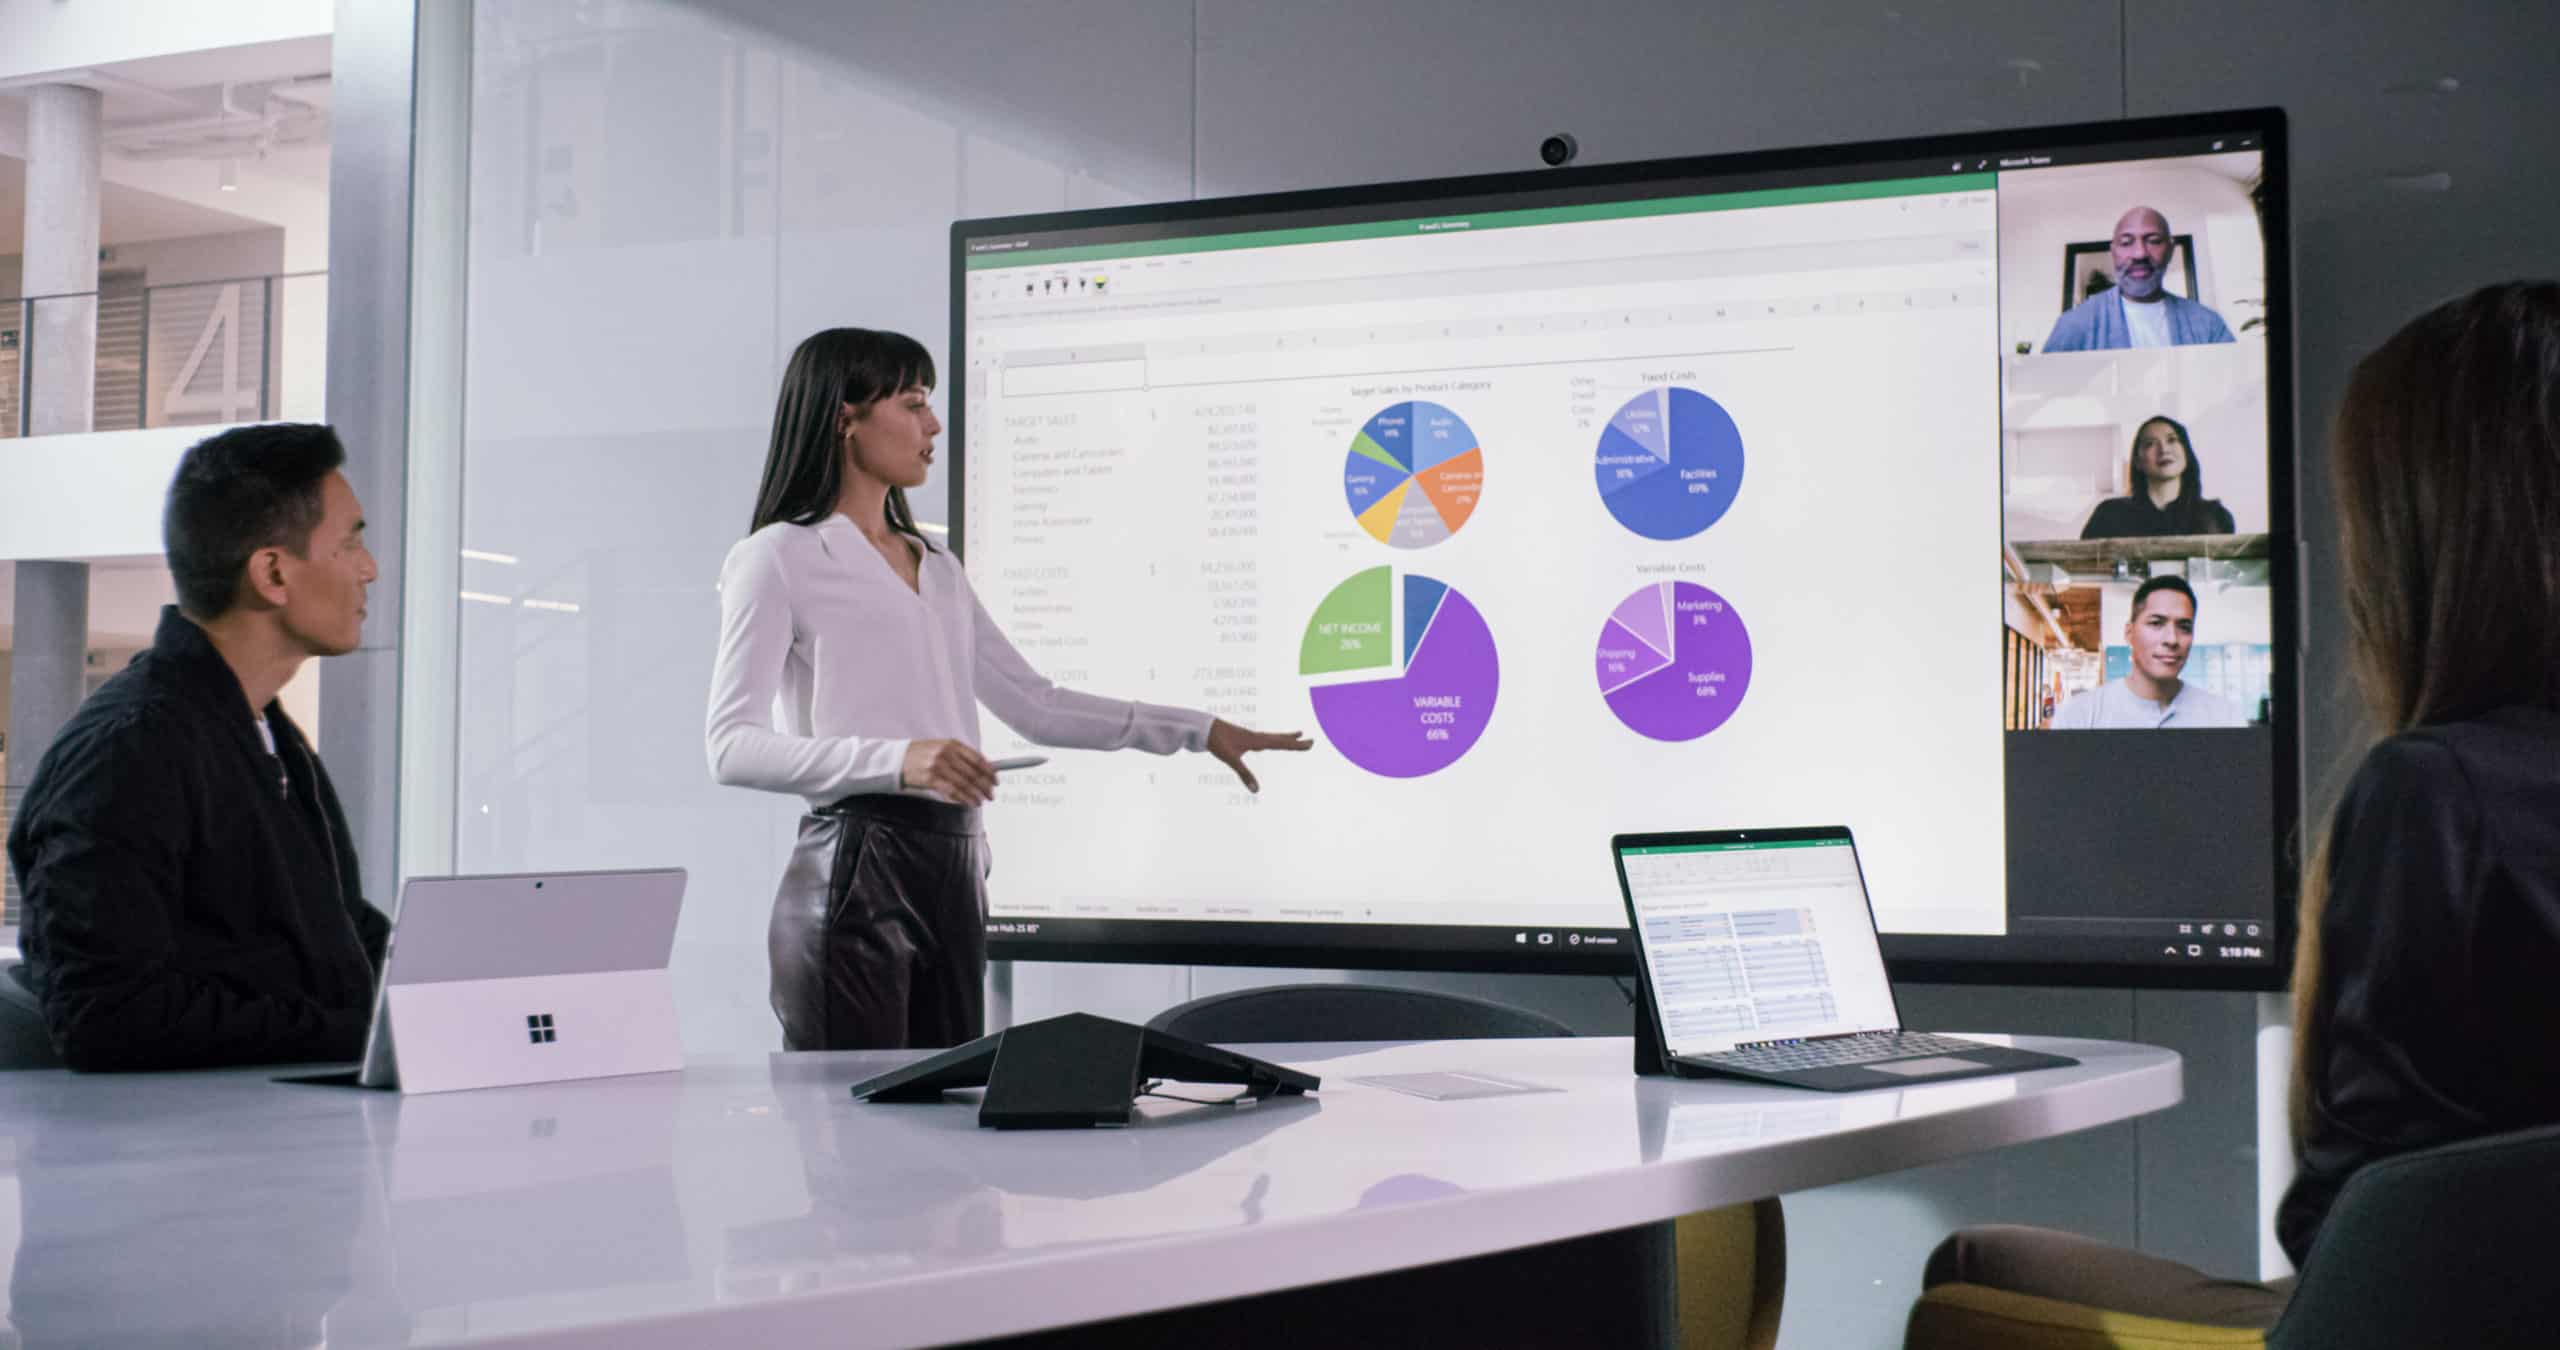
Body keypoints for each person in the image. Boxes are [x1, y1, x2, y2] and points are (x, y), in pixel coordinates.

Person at [1925, 280, 2560, 1328]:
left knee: (1973, 1271)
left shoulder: (2436, 796)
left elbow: (2347, 1225)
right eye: (2157, 620)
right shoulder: (2083, 716)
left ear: (2416, 538)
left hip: (2429, 1312)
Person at [706, 328, 1312, 1052]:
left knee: (945, 1131)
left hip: (955, 868)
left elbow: (1036, 704)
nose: (933, 426)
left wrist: (1198, 728)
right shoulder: (778, 557)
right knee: (852, 1139)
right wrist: (900, 760)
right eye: (913, 403)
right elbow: (731, 748)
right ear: (846, 416)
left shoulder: (936, 565)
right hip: (854, 872)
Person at [6, 423, 386, 1071]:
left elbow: (334, 938)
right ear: (272, 572)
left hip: (267, 1134)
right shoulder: (129, 752)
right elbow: (109, 1014)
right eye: (350, 541)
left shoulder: (262, 732)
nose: (369, 569)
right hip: (175, 1158)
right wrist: (362, 1035)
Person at [2047, 575, 2247, 729]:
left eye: (2184, 627)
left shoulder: (2226, 717)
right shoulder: (2079, 716)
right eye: (2156, 623)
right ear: (2129, 633)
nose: (2172, 639)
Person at [2042, 206, 2238, 351]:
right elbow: (2048, 395)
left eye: (2153, 241)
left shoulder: (2208, 324)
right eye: (2126, 242)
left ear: (2170, 250)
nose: (2140, 253)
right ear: (2113, 252)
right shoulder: (2075, 324)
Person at [2079, 415, 2238, 538]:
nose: (2163, 450)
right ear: (2137, 462)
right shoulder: (2109, 514)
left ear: (2186, 453)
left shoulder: (2215, 516)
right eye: (2150, 444)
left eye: (2172, 440)